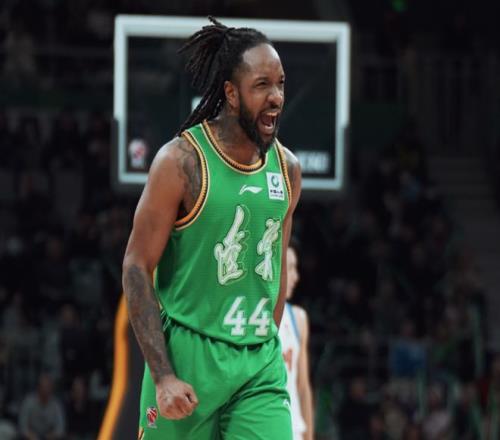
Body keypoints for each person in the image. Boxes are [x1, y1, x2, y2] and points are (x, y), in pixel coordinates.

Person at [122, 16, 301, 440]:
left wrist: (263, 343)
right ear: (231, 94)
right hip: (188, 358)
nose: (276, 97)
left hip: (258, 364)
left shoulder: (287, 169)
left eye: (280, 84)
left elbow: (275, 273)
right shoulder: (180, 162)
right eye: (262, 85)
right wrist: (163, 374)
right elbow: (135, 266)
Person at [279, 244, 314, 440]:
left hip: (293, 428)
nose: (296, 276)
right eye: (291, 267)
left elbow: (303, 387)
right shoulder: (253, 318)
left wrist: (309, 436)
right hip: (262, 424)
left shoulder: (298, 318)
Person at [18, 372, 65, 440]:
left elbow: (60, 428)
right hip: (31, 437)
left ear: (52, 388)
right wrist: (32, 437)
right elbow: (23, 426)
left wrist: (51, 436)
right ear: (38, 387)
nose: (45, 390)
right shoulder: (28, 402)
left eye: (48, 387)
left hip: (49, 437)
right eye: (43, 387)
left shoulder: (56, 404)